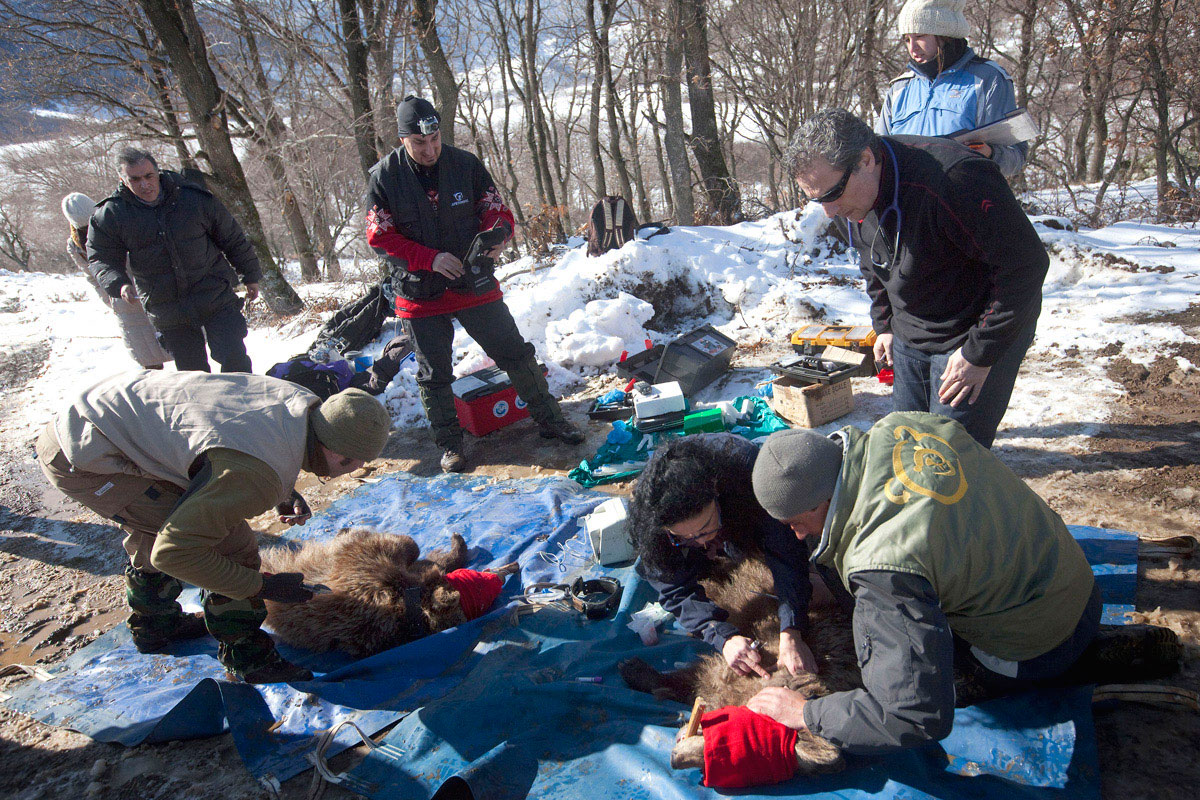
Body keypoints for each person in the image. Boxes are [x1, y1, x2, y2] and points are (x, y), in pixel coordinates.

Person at [744, 417, 1103, 754]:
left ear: (821, 499)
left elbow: (913, 716)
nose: (797, 534)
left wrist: (806, 713)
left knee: (937, 678)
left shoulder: (880, 562)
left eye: (795, 522)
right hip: (1075, 580)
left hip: (1043, 643)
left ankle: (1068, 664)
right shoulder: (900, 426)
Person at [36, 371, 393, 683]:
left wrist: (283, 488)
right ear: (339, 452)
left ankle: (155, 625)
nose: (355, 469)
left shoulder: (301, 404)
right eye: (354, 463)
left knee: (167, 522)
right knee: (228, 547)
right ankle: (247, 658)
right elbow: (175, 553)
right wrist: (263, 585)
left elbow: (240, 443)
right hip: (85, 454)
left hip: (111, 415)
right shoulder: (256, 474)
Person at [787, 108, 1047, 448]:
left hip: (975, 327)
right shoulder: (846, 198)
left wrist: (979, 354)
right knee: (907, 445)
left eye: (831, 195)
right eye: (816, 199)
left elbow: (1025, 268)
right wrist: (885, 324)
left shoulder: (956, 179)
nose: (829, 212)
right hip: (913, 327)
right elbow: (873, 259)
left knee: (948, 458)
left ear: (866, 159)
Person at [365, 95, 583, 474]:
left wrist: (499, 233)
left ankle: (551, 420)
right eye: (419, 144)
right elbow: (380, 238)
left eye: (434, 141)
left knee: (516, 352)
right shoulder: (384, 177)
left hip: (473, 279)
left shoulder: (464, 163)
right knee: (434, 373)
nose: (429, 150)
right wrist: (429, 258)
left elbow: (496, 208)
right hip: (421, 291)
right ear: (402, 139)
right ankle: (450, 445)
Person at [628, 434, 818, 677]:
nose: (700, 540)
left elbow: (787, 555)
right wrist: (722, 636)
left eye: (704, 528)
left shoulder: (747, 472)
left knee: (807, 570)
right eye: (686, 536)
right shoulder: (652, 517)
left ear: (716, 493)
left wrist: (792, 631)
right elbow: (673, 589)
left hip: (744, 509)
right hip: (709, 526)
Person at [87, 147, 261, 373]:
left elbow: (232, 237)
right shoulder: (112, 214)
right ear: (122, 179)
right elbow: (100, 257)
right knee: (192, 374)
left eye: (149, 176)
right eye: (135, 179)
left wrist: (250, 275)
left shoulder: (192, 198)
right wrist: (119, 284)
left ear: (158, 172)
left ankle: (246, 404)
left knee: (235, 360)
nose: (144, 184)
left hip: (213, 292)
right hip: (167, 305)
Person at [876, 0, 1028, 177]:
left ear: (944, 34)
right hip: (907, 201)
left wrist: (990, 154)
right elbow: (877, 155)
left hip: (962, 198)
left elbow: (1015, 156)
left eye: (920, 36)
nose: (912, 47)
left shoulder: (987, 79)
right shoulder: (900, 88)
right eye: (907, 39)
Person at [61, 192, 171, 370]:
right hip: (129, 295)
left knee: (160, 354)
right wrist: (112, 300)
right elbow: (94, 278)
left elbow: (94, 279)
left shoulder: (113, 221)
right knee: (155, 356)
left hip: (141, 291)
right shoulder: (78, 244)